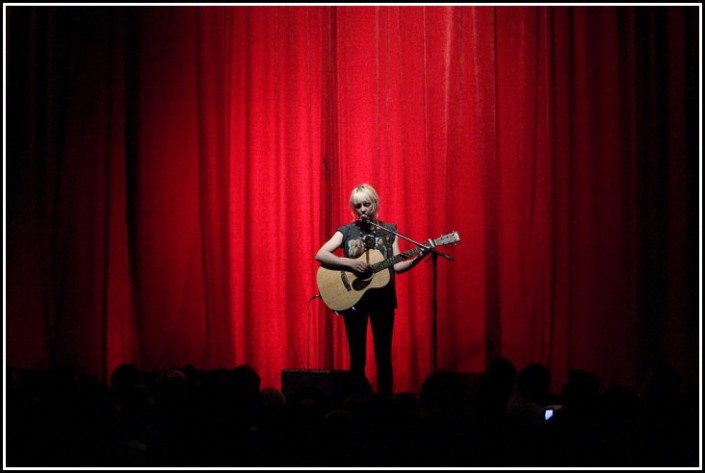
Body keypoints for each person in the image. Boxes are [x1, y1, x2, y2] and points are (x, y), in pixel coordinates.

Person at [315, 183, 429, 398]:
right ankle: (358, 401)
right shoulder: (346, 231)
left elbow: (397, 266)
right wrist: (350, 264)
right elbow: (321, 254)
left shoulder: (389, 231)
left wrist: (419, 257)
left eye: (366, 204)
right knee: (357, 356)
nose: (362, 210)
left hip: (383, 300)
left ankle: (386, 401)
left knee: (383, 354)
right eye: (358, 206)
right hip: (353, 300)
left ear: (375, 204)